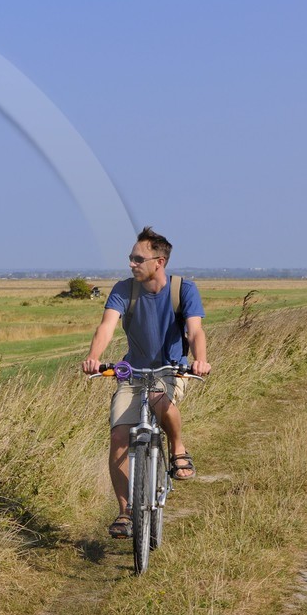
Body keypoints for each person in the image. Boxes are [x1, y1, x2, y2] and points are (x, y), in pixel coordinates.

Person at [81, 227, 212, 539]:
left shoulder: (184, 289)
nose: (131, 264)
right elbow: (106, 326)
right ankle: (125, 512)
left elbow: (195, 331)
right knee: (119, 437)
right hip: (133, 372)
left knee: (158, 398)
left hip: (171, 370)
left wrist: (200, 359)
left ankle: (178, 446)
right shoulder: (123, 290)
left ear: (159, 262)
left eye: (138, 259)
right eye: (130, 258)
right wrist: (94, 357)